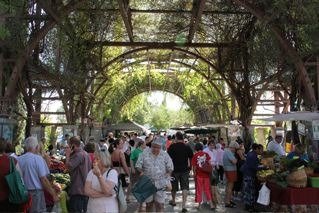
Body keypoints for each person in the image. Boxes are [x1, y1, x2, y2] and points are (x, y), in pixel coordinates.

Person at [18, 137, 59, 213]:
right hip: (36, 194)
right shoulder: (38, 159)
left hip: (23, 193)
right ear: (37, 147)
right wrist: (53, 194)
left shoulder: (19, 159)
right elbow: (43, 179)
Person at [135, 136, 174, 212]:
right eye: (154, 147)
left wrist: (168, 175)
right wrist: (141, 171)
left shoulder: (165, 155)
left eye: (158, 147)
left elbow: (170, 167)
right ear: (151, 146)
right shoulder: (144, 153)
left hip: (161, 182)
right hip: (148, 182)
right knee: (149, 204)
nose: (155, 149)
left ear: (161, 147)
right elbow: (138, 165)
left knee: (160, 205)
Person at [167, 132, 193, 212]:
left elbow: (168, 159)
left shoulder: (172, 147)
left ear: (176, 138)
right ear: (182, 138)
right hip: (185, 170)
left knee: (173, 187)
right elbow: (191, 157)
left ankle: (174, 201)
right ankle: (184, 206)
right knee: (185, 187)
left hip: (174, 170)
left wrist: (168, 170)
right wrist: (190, 167)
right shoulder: (187, 147)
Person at [65, 136, 92, 213]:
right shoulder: (85, 154)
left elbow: (68, 167)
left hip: (78, 189)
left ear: (73, 145)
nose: (68, 147)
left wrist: (67, 155)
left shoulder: (78, 155)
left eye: (69, 145)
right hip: (84, 189)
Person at [191, 142, 215, 210]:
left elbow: (194, 167)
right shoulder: (206, 154)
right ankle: (211, 205)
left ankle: (199, 205)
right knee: (207, 189)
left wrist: (194, 174)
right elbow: (210, 164)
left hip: (199, 175)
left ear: (196, 148)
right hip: (206, 175)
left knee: (199, 190)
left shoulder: (195, 155)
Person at [240, 144, 264, 212]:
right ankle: (250, 207)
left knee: (247, 191)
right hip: (249, 175)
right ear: (256, 149)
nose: (262, 151)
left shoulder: (251, 153)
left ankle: (248, 206)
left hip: (247, 174)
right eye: (261, 149)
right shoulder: (253, 155)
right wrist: (263, 167)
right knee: (249, 191)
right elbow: (254, 167)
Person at [223, 141, 239, 208]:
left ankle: (228, 200)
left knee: (228, 187)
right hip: (231, 171)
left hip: (228, 170)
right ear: (233, 147)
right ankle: (228, 202)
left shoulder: (226, 151)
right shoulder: (228, 152)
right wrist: (237, 158)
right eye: (235, 149)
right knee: (230, 187)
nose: (235, 150)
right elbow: (234, 161)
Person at [203, 139, 218, 208]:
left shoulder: (215, 151)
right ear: (208, 145)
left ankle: (213, 201)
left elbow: (216, 160)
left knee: (214, 186)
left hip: (214, 169)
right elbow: (203, 161)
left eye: (213, 145)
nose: (212, 146)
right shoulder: (205, 151)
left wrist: (217, 165)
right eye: (211, 145)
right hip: (208, 170)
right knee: (208, 186)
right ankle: (208, 201)